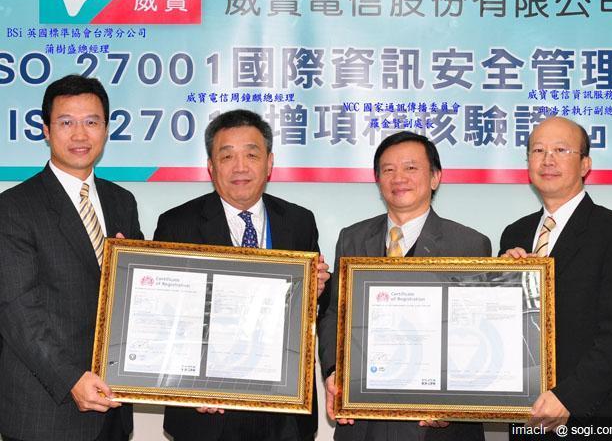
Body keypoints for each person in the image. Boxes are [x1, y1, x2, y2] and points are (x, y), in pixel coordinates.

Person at [154, 109, 330, 441]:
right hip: (207, 411)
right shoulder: (177, 225)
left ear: (269, 163)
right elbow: (163, 316)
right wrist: (188, 385)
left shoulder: (298, 221)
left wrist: (317, 290)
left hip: (284, 412)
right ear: (211, 166)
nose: (240, 167)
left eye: (251, 155)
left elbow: (316, 310)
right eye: (227, 156)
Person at [317, 131, 491, 441]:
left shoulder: (469, 244)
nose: (399, 178)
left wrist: (455, 402)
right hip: (363, 420)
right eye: (388, 169)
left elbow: (477, 333)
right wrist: (333, 371)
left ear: (435, 177)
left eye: (411, 168)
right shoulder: (352, 238)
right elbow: (333, 314)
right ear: (377, 180)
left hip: (435, 425)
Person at [0, 75, 143, 441]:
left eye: (91, 122)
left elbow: (140, 299)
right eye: (66, 122)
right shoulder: (14, 207)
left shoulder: (122, 202)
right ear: (46, 130)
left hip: (113, 408)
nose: (80, 135)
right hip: (47, 412)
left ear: (106, 129)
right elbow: (17, 311)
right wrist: (70, 380)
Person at [500, 116, 612, 439]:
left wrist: (569, 398)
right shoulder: (514, 234)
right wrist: (501, 282)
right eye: (538, 150)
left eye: (561, 150)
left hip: (589, 418)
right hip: (524, 416)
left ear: (585, 164)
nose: (547, 159)